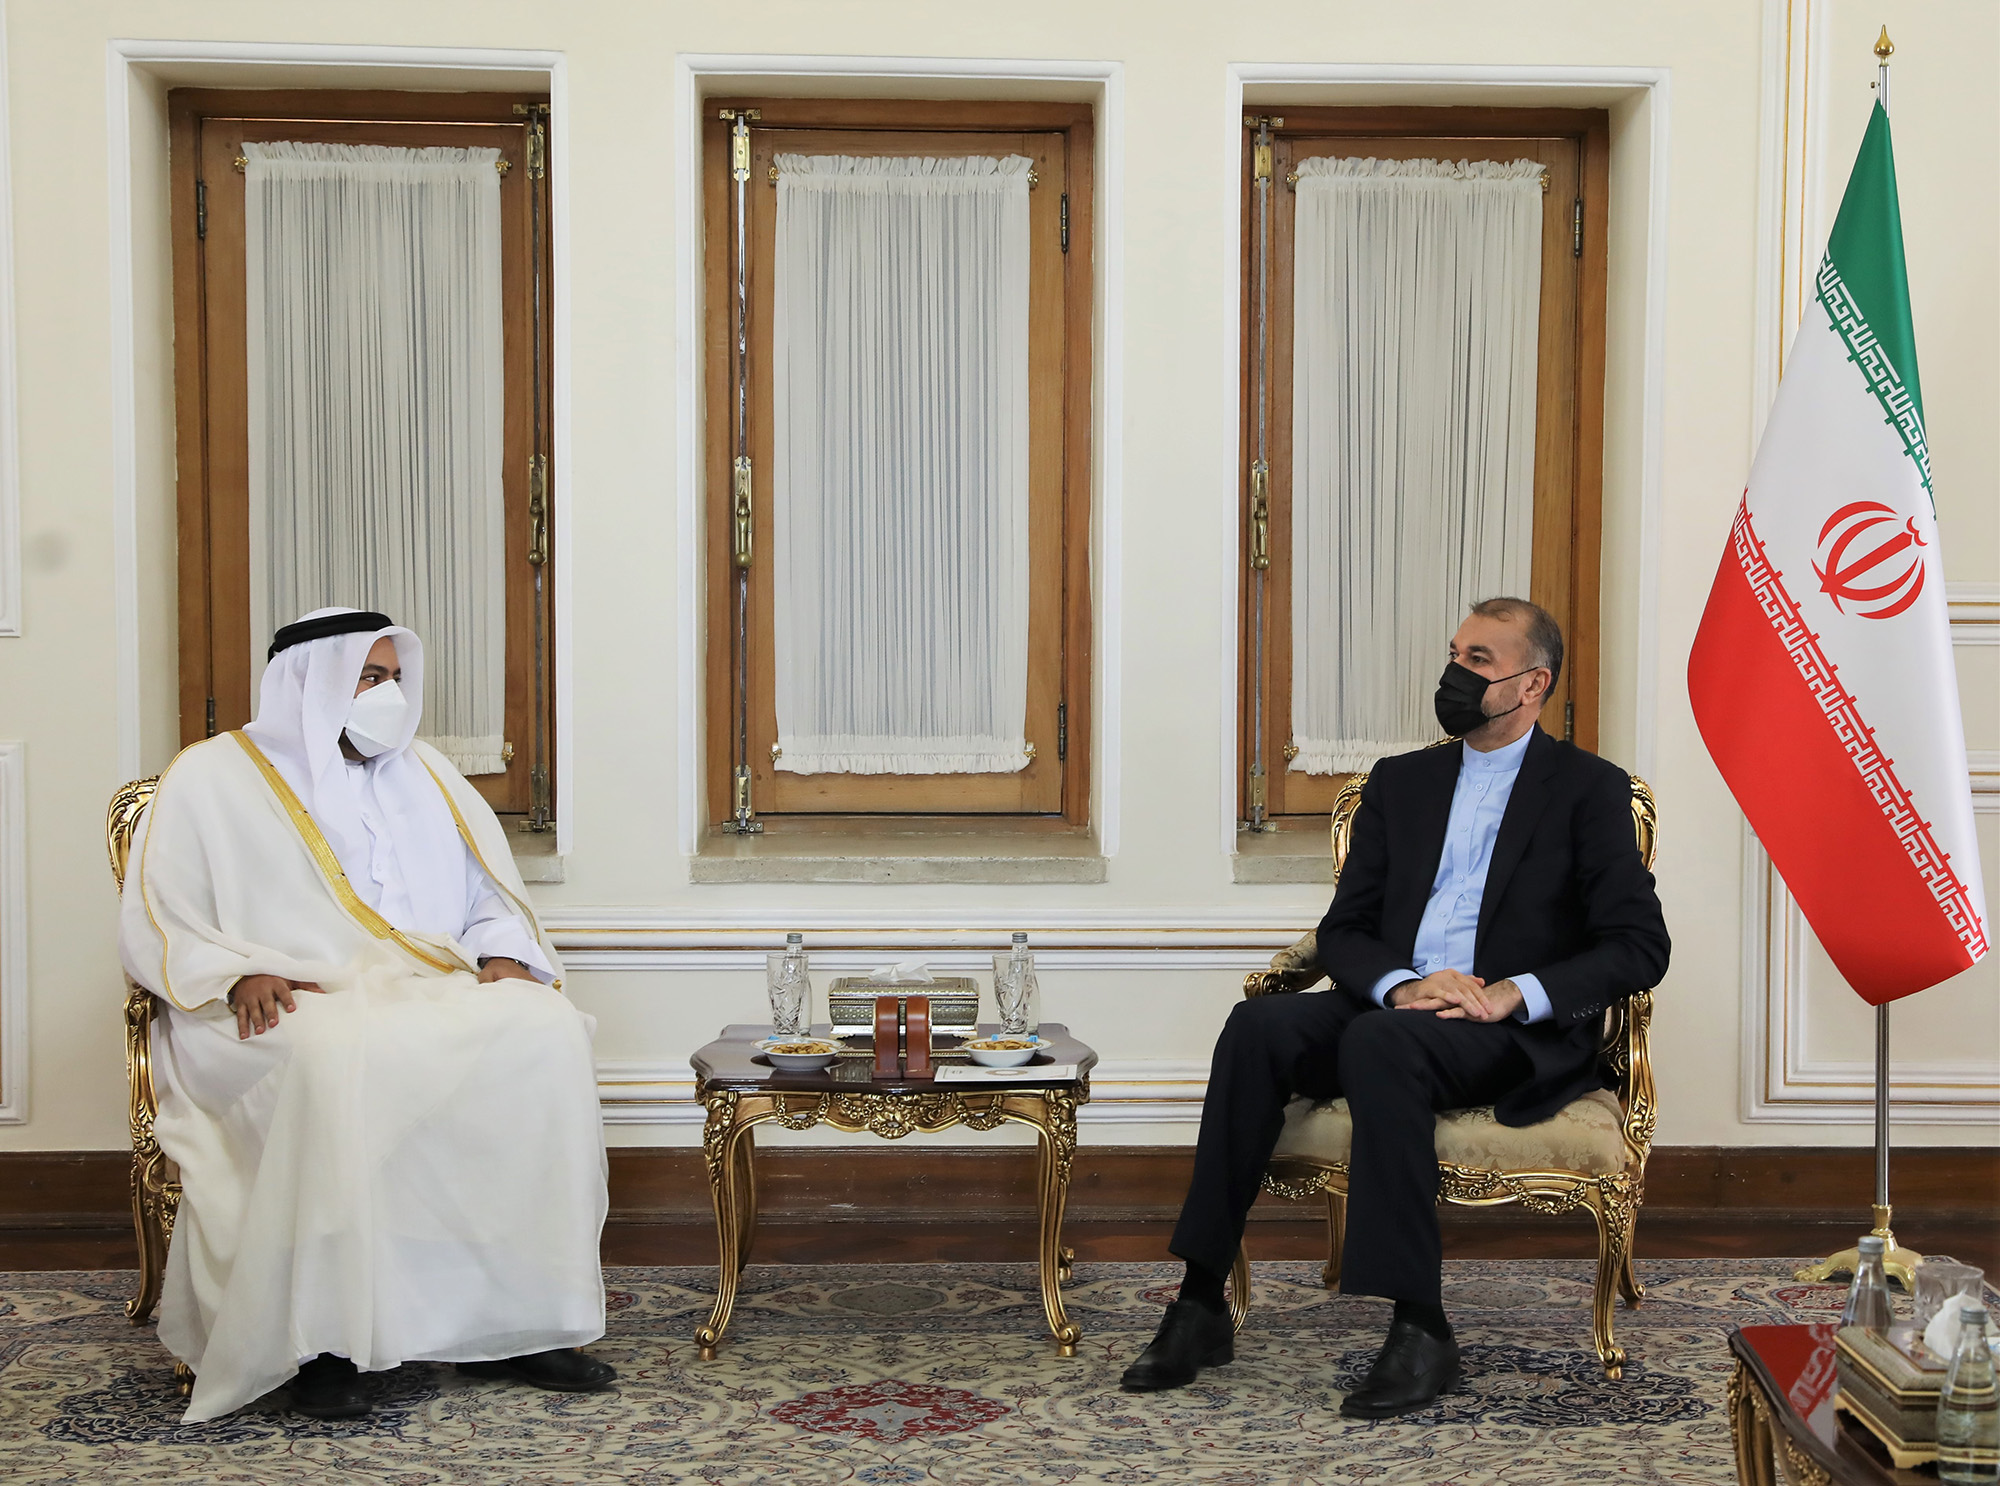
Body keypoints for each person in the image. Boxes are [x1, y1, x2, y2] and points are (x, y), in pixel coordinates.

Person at [1122, 597, 1670, 1417]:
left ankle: (1421, 1326)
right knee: (1258, 1027)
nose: (1455, 673)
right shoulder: (1402, 782)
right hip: (1396, 1003)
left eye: (1479, 660)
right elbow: (1345, 928)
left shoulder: (1589, 791)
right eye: (1455, 654)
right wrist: (1403, 985)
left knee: (1382, 1044)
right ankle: (1200, 1301)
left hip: (1501, 1030)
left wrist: (1512, 993)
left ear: (1533, 684)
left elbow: (1638, 945)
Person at [119, 607, 615, 1423]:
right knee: (334, 1055)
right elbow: (161, 914)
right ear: (310, 683)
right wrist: (238, 972)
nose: (389, 695)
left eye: (394, 678)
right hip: (280, 1002)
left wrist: (501, 953)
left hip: (423, 985)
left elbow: (490, 896)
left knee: (545, 1032)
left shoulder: (428, 774)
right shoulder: (212, 776)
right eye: (369, 677)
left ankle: (516, 1321)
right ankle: (322, 1342)